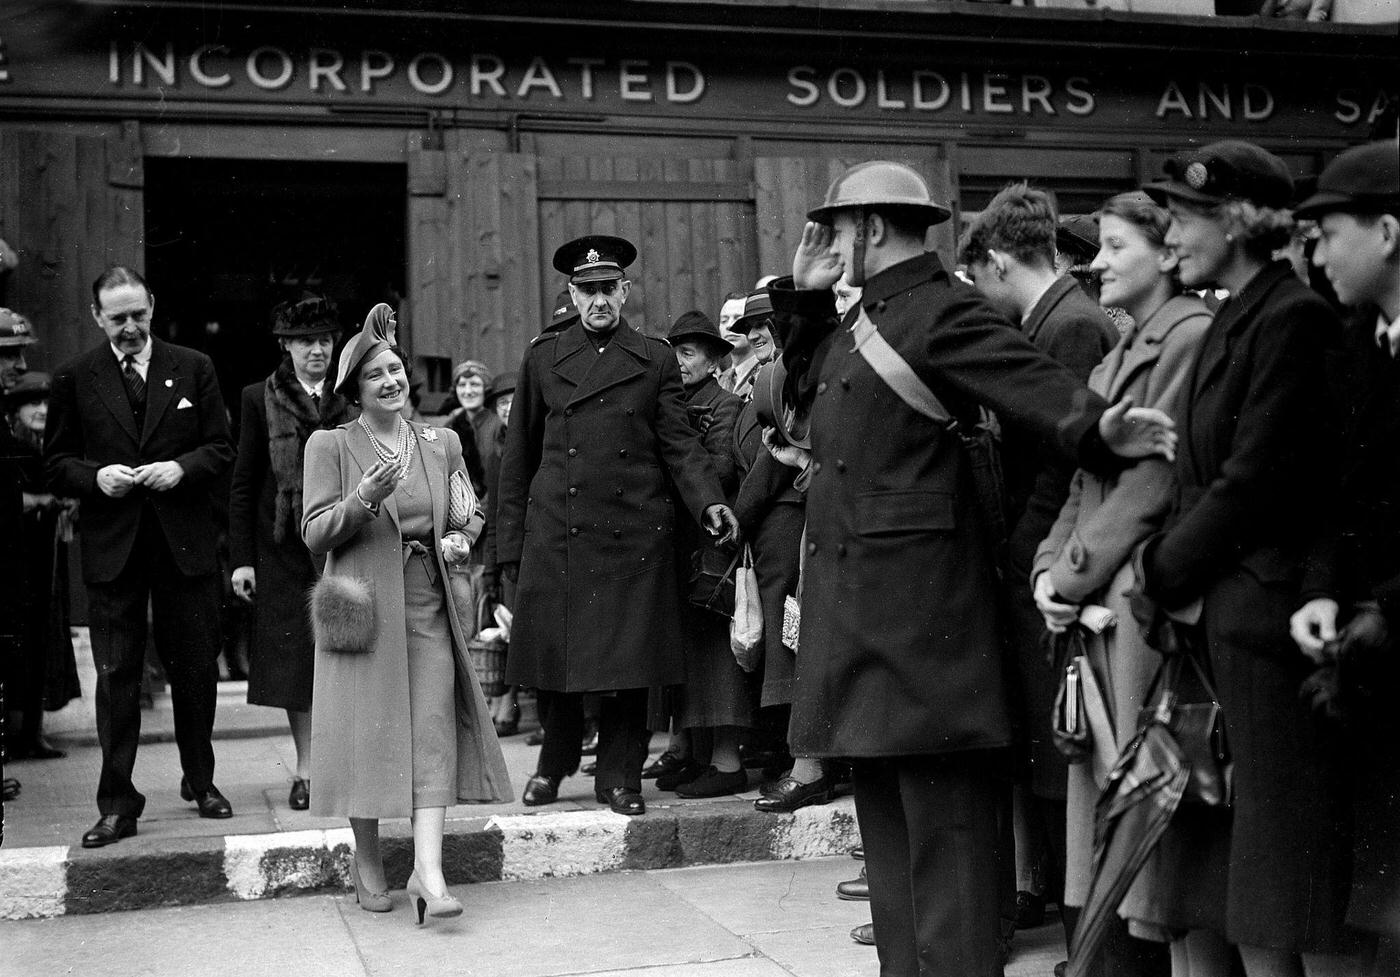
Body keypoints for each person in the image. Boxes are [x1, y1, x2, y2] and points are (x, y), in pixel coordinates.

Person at [766, 160, 1177, 977]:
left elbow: (1032, 384)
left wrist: (1102, 430)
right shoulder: (868, 316)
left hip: (926, 642)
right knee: (896, 881)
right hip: (872, 635)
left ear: (872, 228)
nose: (834, 242)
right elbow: (810, 391)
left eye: (840, 229)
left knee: (948, 881)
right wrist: (808, 295)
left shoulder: (937, 310)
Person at [1137, 141, 1356, 976]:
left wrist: (1161, 569)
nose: (1172, 235)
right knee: (1255, 868)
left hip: (1262, 616)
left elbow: (1253, 479)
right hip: (1227, 614)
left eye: (1186, 217)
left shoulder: (1289, 316)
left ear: (1237, 222)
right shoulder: (1240, 311)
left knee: (1283, 870)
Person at [496, 234, 740, 817]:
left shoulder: (654, 358)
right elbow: (518, 458)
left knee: (631, 663)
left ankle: (620, 778)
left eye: (609, 289)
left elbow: (679, 445)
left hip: (634, 532)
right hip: (561, 529)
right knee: (558, 655)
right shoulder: (543, 357)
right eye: (588, 291)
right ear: (572, 295)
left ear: (625, 291)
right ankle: (554, 762)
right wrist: (508, 543)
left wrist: (708, 501)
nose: (599, 300)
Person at [1032, 191, 1210, 977]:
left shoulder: (1187, 339)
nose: (1094, 262)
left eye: (1111, 246)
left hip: (1136, 606)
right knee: (1110, 815)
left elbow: (1149, 483)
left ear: (1166, 254)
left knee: (1142, 823)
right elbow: (1081, 483)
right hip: (1099, 601)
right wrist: (1050, 570)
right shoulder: (1121, 350)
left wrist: (1068, 578)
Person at [301, 303, 510, 923]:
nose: (391, 381)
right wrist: (364, 499)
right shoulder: (331, 445)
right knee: (366, 737)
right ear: (355, 392)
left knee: (432, 733)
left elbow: (468, 510)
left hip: (426, 605)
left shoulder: (439, 442)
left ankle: (428, 872)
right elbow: (314, 532)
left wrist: (462, 538)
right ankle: (368, 860)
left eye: (396, 369)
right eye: (376, 375)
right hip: (363, 608)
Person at [959, 182, 1119, 947]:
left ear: (996, 264)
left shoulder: (1071, 327)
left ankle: (1082, 930)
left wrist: (1026, 554)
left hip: (1049, 565)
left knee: (1062, 759)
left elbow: (1067, 463)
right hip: (1039, 560)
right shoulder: (1056, 320)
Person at [45, 265, 236, 848]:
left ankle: (200, 781)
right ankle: (117, 803)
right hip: (114, 550)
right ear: (97, 317)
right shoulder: (75, 378)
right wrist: (95, 477)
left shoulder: (193, 367)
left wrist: (182, 467)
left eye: (139, 315)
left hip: (184, 546)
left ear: (152, 306)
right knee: (116, 677)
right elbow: (56, 464)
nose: (131, 328)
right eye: (118, 318)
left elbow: (222, 448)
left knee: (196, 669)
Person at [1291, 139, 1400, 973]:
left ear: (1388, 231)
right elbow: (1337, 486)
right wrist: (1324, 587)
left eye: (1329, 228)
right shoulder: (1360, 337)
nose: (1316, 250)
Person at [228, 294, 355, 812]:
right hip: (282, 548)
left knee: (348, 654)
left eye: (324, 340)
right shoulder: (260, 397)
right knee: (295, 661)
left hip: (345, 541)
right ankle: (306, 770)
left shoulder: (352, 393)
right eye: (305, 342)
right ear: (286, 346)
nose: (317, 351)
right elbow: (244, 482)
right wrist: (241, 559)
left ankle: (345, 764)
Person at [661, 310, 748, 798]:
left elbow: (720, 468)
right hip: (680, 542)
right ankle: (698, 755)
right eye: (673, 351)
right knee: (691, 654)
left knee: (715, 654)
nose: (679, 361)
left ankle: (727, 760)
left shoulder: (726, 405)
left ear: (715, 360)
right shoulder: (673, 401)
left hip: (711, 545)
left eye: (689, 353)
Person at [5, 371, 80, 762]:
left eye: (48, 404)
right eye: (32, 403)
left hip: (45, 557)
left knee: (42, 635)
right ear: (15, 410)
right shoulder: (13, 447)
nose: (42, 411)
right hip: (16, 557)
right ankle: (16, 732)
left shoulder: (51, 447)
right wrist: (43, 500)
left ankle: (32, 732)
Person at [480, 369, 520, 736]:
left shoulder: (537, 437)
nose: (508, 409)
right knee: (510, 631)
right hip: (510, 553)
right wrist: (491, 567)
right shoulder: (496, 449)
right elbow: (493, 514)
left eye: (513, 400)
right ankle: (508, 706)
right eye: (501, 403)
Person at [444, 360, 493, 496]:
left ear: (486, 388)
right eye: (462, 385)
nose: (468, 391)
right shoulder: (451, 425)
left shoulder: (497, 426)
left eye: (475, 384)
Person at [717, 290, 760, 398]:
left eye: (738, 319)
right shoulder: (719, 380)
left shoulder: (765, 373)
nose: (729, 325)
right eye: (724, 320)